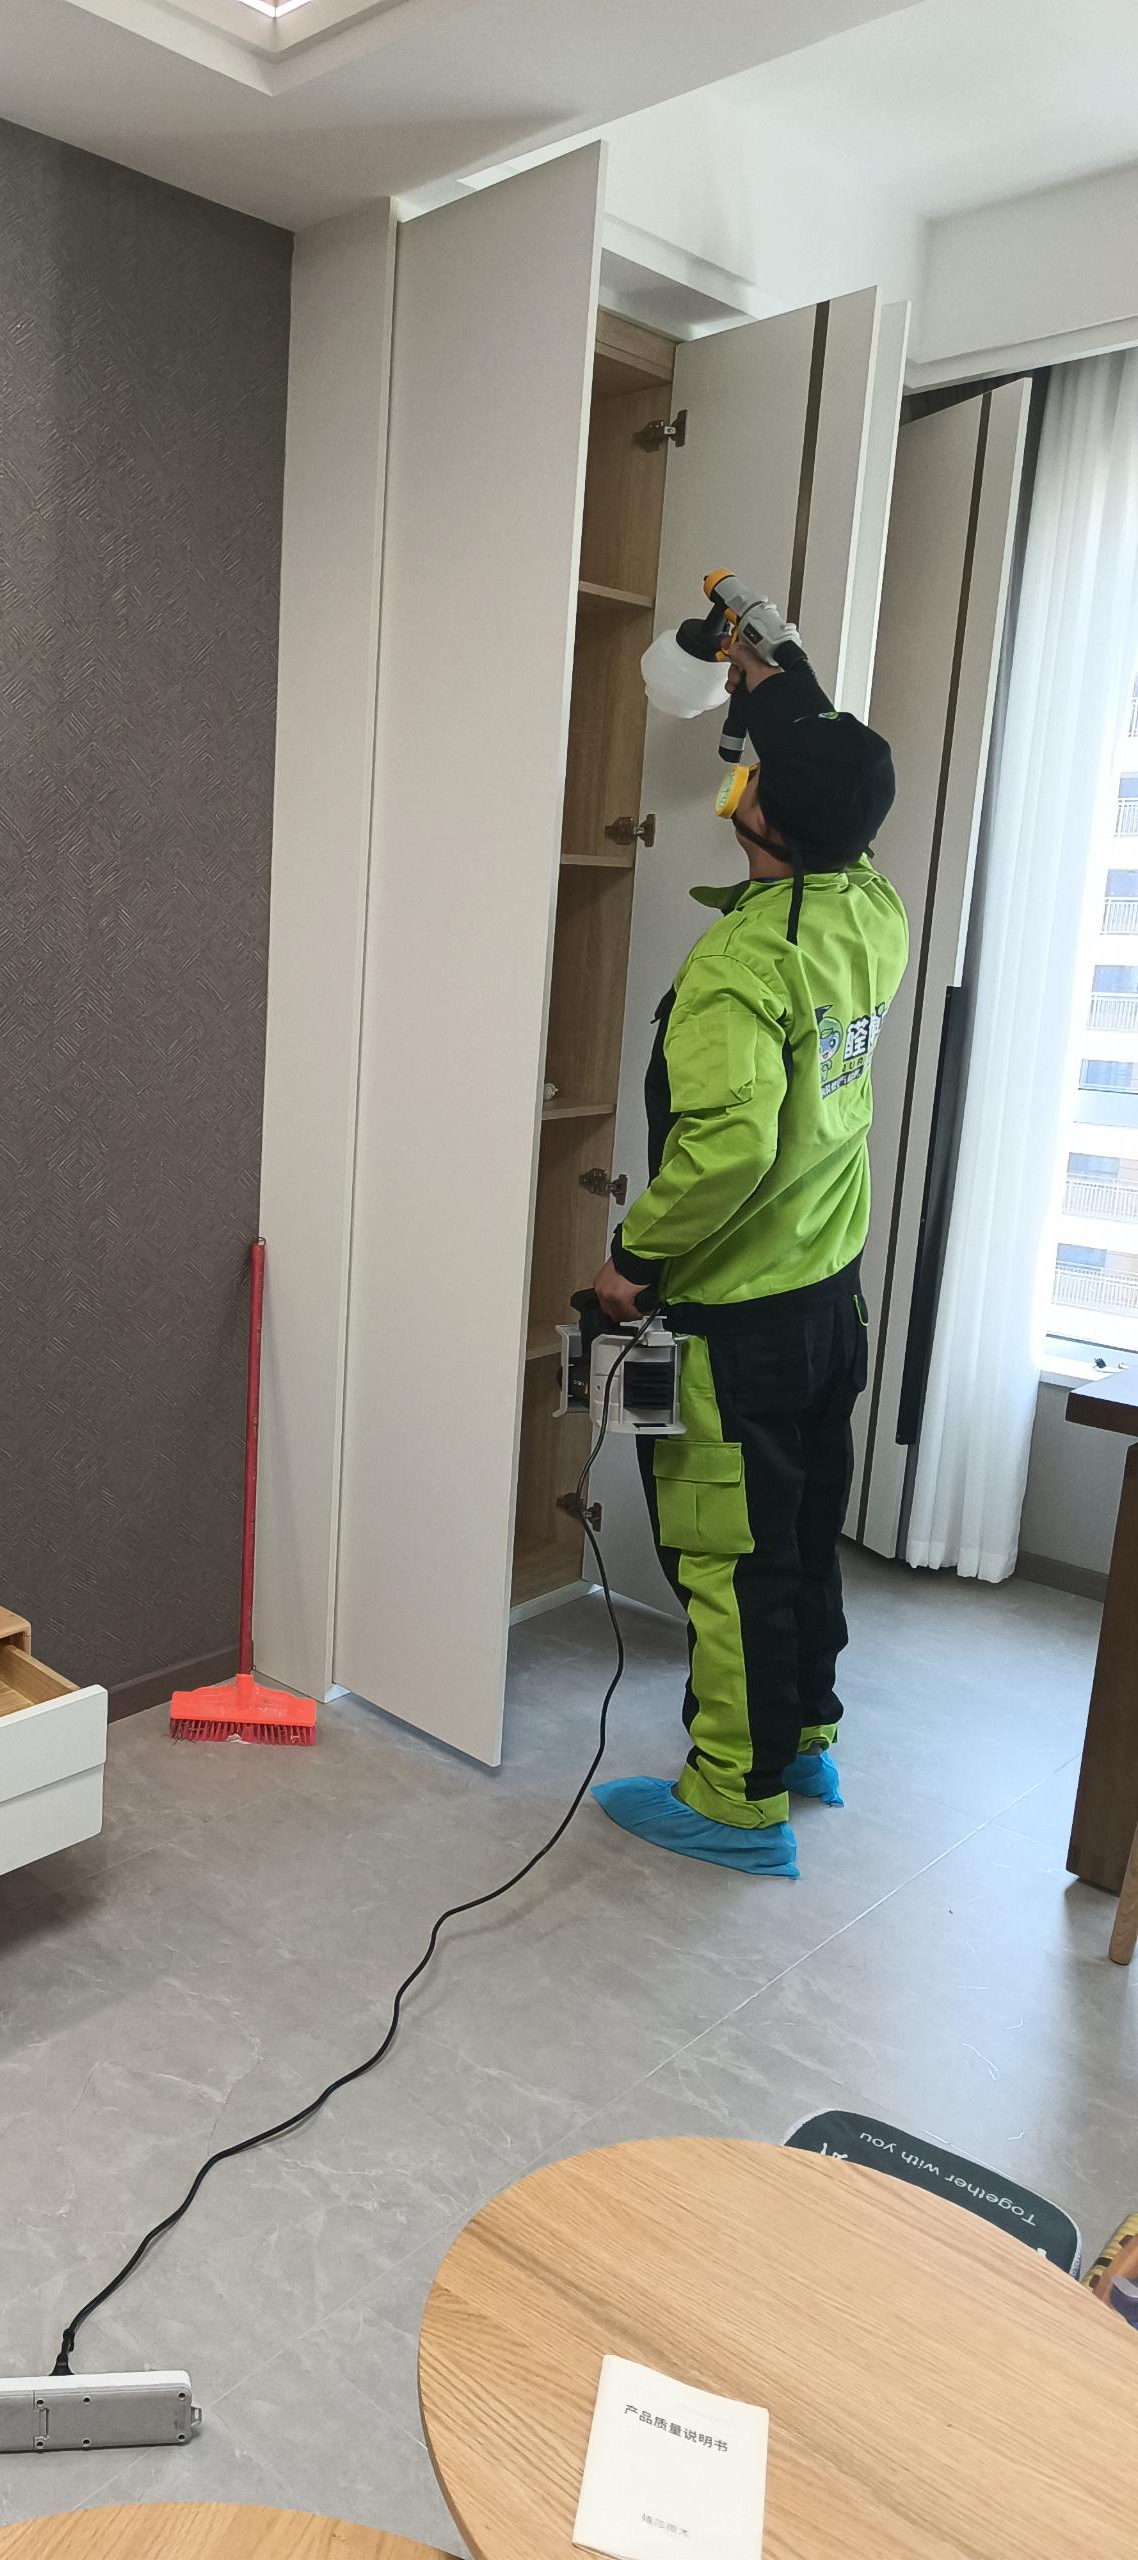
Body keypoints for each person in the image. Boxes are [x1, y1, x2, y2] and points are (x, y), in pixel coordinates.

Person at [588, 633, 908, 1879]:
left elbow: (726, 1148)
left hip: (740, 1323)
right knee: (804, 1530)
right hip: (830, 1300)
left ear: (761, 812)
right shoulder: (866, 908)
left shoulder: (741, 963)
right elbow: (835, 786)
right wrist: (775, 675)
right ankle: (804, 1738)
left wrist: (631, 1259)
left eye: (757, 773)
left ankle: (734, 1794)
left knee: (728, 1557)